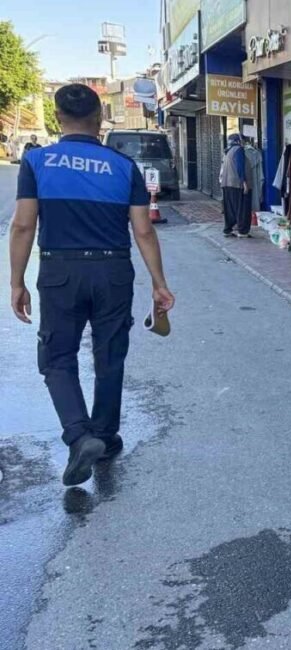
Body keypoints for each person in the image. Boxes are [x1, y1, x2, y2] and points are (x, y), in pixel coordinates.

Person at [8, 83, 176, 487]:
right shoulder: (122, 167)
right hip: (113, 271)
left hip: (60, 272)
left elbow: (23, 224)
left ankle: (79, 435)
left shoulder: (38, 162)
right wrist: (159, 283)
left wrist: (16, 282)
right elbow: (143, 231)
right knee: (110, 356)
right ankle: (103, 435)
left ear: (58, 118)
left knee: (57, 358)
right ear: (99, 119)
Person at [219, 133, 251, 238]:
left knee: (230, 209)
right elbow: (240, 167)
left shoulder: (227, 152)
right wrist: (245, 183)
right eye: (242, 140)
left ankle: (227, 230)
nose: (244, 142)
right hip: (237, 184)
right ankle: (242, 231)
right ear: (238, 141)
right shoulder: (239, 150)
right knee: (242, 208)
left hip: (226, 183)